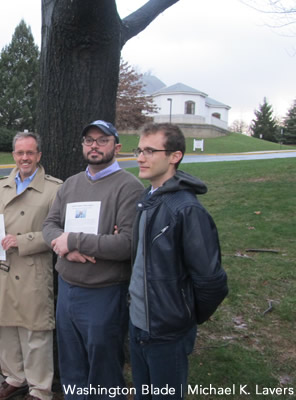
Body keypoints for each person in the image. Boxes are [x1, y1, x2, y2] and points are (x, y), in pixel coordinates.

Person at [42, 120, 144, 399]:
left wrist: (73, 240)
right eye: (89, 140)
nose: (94, 146)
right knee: (71, 364)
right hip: (68, 289)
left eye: (102, 140)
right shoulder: (70, 185)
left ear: (117, 147)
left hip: (104, 293)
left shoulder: (129, 187)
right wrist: (64, 247)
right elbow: (49, 226)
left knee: (103, 367)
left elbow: (126, 244)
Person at [129, 123, 228, 399]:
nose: (140, 157)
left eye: (150, 150)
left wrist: (183, 316)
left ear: (175, 156)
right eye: (139, 149)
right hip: (138, 324)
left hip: (166, 332)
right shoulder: (147, 198)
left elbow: (212, 282)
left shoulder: (186, 210)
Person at [0, 132, 62, 400]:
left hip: (34, 270)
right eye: (20, 153)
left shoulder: (54, 188)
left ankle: (40, 389)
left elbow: (59, 233)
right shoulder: (1, 185)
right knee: (5, 330)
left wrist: (22, 240)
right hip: (3, 269)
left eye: (30, 153)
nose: (24, 158)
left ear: (38, 155)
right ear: (14, 155)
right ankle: (15, 378)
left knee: (35, 333)